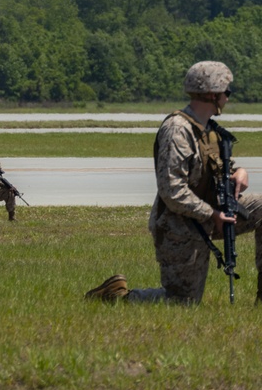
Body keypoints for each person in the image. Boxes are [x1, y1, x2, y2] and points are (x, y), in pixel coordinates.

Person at [86, 61, 262, 305]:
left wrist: (240, 172)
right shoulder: (177, 131)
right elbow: (172, 191)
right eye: (226, 92)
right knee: (183, 303)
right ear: (212, 94)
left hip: (212, 214)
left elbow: (220, 168)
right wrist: (212, 215)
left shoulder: (208, 129)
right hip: (179, 227)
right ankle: (118, 297)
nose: (227, 99)